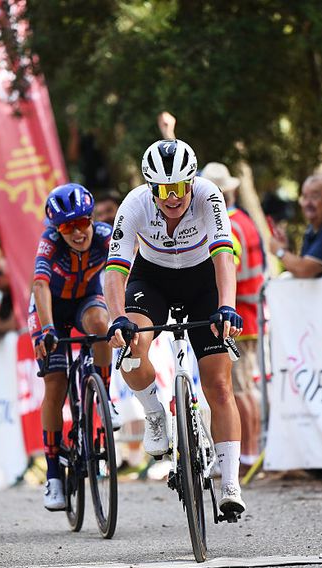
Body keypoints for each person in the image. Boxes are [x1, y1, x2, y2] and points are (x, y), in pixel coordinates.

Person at [104, 139, 246, 516]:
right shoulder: (133, 204)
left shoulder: (209, 194)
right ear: (151, 188)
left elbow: (224, 256)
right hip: (153, 280)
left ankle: (230, 482)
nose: (173, 197)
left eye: (181, 187)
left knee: (218, 383)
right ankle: (154, 414)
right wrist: (118, 316)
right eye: (164, 190)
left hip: (203, 280)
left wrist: (227, 307)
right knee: (132, 353)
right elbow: (116, 270)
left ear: (192, 182)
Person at [29, 183, 117, 510]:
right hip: (50, 307)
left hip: (85, 301)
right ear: (57, 228)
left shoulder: (107, 236)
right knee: (56, 385)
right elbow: (39, 285)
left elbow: (129, 271)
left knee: (101, 326)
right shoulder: (49, 242)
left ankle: (105, 397)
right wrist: (48, 328)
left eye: (83, 222)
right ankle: (53, 476)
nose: (78, 232)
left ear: (92, 219)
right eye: (68, 226)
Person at [201, 161, 265, 473]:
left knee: (238, 391)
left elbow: (228, 270)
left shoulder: (229, 225)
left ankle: (247, 457)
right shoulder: (246, 220)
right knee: (244, 390)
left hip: (238, 319)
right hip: (249, 316)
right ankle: (250, 454)